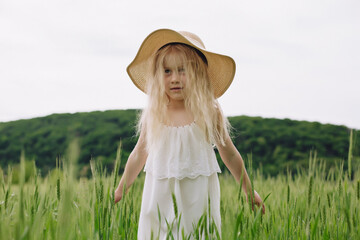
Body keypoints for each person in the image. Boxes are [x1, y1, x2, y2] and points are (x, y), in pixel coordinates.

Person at [114, 29, 265, 239]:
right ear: (158, 76)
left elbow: (229, 154)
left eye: (183, 70)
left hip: (197, 197)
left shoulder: (208, 111)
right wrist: (121, 188)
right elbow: (139, 153)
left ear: (198, 73)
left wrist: (249, 191)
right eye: (167, 71)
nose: (175, 78)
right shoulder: (155, 113)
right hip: (159, 197)